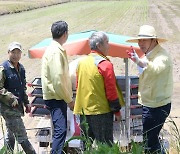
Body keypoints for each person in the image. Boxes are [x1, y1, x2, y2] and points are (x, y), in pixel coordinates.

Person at [126, 25, 173, 153]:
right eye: (139, 40)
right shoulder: (149, 54)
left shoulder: (162, 56)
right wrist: (139, 61)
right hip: (150, 104)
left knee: (150, 142)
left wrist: (139, 62)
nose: (141, 44)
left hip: (157, 106)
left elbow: (156, 68)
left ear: (154, 40)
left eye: (144, 40)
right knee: (150, 140)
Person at [74, 31, 124, 147]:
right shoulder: (105, 64)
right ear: (99, 45)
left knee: (86, 146)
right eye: (107, 42)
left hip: (84, 112)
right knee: (106, 147)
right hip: (101, 112)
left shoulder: (81, 63)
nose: (109, 45)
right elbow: (111, 91)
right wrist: (116, 111)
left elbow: (78, 86)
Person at [41, 20, 74, 154]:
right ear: (65, 34)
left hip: (55, 95)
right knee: (61, 130)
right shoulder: (56, 52)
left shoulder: (53, 49)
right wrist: (69, 100)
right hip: (56, 96)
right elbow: (58, 80)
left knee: (60, 130)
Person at [0, 42, 36, 154]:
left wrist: (26, 102)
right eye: (13, 52)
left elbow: (22, 88)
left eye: (18, 52)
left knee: (11, 134)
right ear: (8, 53)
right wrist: (11, 98)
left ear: (21, 53)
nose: (15, 55)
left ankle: (7, 152)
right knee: (22, 136)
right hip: (8, 109)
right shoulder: (3, 69)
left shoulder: (21, 68)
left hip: (18, 107)